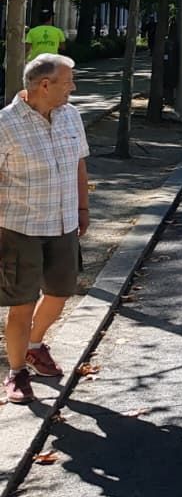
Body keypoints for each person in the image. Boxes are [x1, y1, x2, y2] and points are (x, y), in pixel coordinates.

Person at [0, 54, 88, 404]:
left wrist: (83, 208)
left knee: (60, 291)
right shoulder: (6, 124)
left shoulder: (71, 115)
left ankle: (34, 346)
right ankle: (17, 372)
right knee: (22, 303)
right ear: (44, 85)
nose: (74, 88)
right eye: (68, 82)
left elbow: (79, 163)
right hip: (20, 226)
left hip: (64, 223)